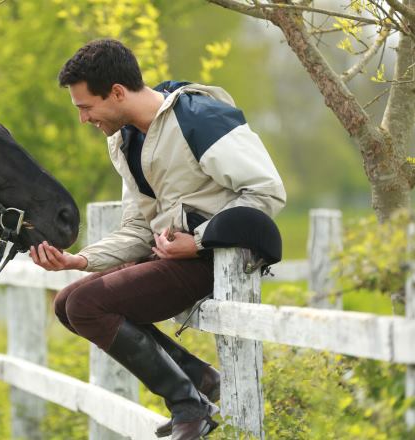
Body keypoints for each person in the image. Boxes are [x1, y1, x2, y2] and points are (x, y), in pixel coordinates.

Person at [29, 39, 286, 440]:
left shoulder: (200, 118)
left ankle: (188, 404)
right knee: (66, 304)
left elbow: (266, 193)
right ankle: (199, 379)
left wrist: (200, 242)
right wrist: (79, 260)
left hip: (216, 260)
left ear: (116, 92)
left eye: (85, 107)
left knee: (85, 305)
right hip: (171, 258)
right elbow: (137, 228)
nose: (83, 119)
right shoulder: (125, 139)